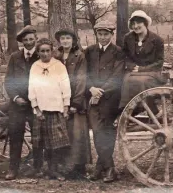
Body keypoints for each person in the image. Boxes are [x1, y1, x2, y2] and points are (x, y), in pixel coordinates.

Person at [84, 21, 124, 183]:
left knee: (106, 133)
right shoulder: (89, 51)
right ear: (96, 34)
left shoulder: (118, 52)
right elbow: (83, 74)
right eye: (100, 34)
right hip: (92, 97)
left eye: (106, 34)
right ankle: (109, 168)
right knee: (98, 132)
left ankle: (101, 168)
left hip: (110, 98)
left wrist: (101, 92)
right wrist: (91, 88)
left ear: (111, 35)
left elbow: (117, 76)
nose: (102, 37)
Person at [28, 38, 71, 181]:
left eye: (47, 51)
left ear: (52, 51)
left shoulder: (59, 66)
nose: (45, 54)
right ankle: (40, 169)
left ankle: (55, 170)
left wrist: (65, 106)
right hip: (41, 110)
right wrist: (36, 108)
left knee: (56, 143)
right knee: (40, 142)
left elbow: (65, 87)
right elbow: (32, 88)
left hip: (55, 109)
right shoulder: (35, 66)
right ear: (38, 52)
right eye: (42, 51)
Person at [53, 29, 92, 179]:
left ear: (73, 40)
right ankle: (65, 166)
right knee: (64, 134)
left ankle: (79, 167)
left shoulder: (79, 56)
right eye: (62, 38)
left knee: (77, 133)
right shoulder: (55, 56)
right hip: (59, 99)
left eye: (68, 38)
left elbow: (81, 79)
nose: (65, 41)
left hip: (76, 99)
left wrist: (75, 102)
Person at [4, 25, 40, 180]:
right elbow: (8, 81)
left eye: (31, 39)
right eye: (25, 40)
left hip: (36, 104)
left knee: (38, 136)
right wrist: (15, 98)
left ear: (36, 40)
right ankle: (13, 169)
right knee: (15, 135)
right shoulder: (15, 57)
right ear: (22, 42)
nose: (29, 42)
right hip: (17, 104)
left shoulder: (41, 56)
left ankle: (38, 168)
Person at [118, 10, 165, 114]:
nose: (136, 26)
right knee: (125, 80)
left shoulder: (157, 40)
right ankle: (127, 110)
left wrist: (142, 69)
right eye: (133, 24)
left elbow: (159, 62)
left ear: (145, 23)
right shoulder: (128, 38)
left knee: (141, 81)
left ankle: (148, 110)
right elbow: (125, 56)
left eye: (139, 23)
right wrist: (132, 66)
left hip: (152, 72)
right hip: (133, 71)